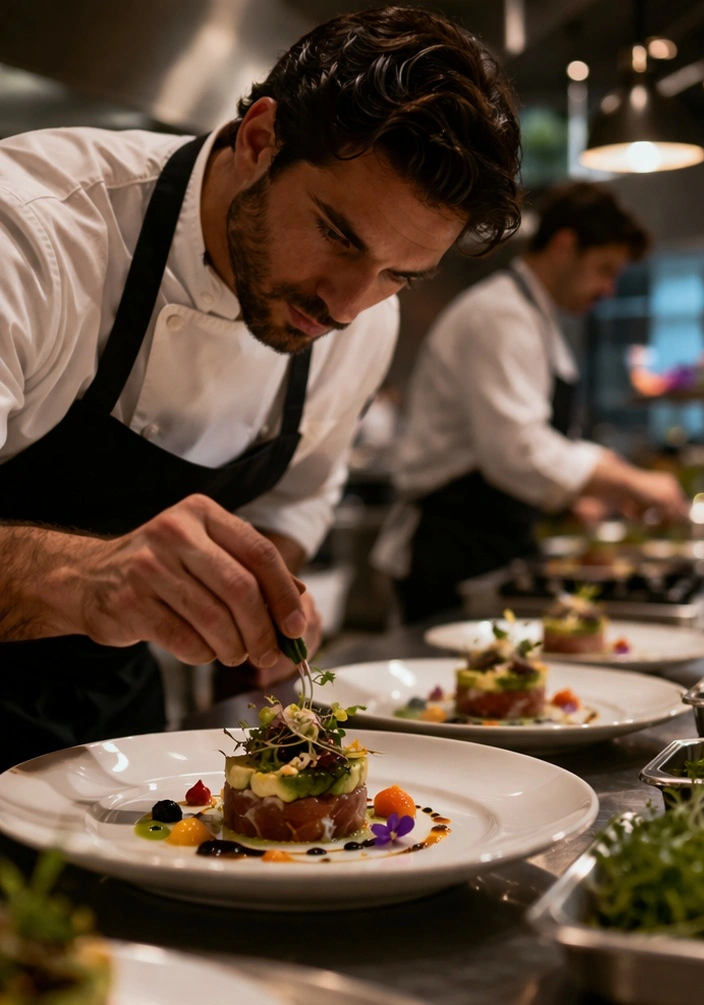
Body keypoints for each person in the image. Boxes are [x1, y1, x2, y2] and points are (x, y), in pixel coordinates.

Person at [0, 6, 523, 767]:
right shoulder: (34, 232)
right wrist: (90, 578)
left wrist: (258, 599)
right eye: (340, 236)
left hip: (110, 745)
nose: (345, 305)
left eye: (398, 275)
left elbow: (296, 498)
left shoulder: (362, 322)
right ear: (257, 139)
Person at [373, 181, 689, 623]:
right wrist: (632, 482)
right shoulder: (500, 315)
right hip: (453, 550)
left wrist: (579, 494)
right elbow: (517, 450)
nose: (608, 289)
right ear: (564, 246)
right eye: (604, 268)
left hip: (493, 541)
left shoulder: (533, 317)